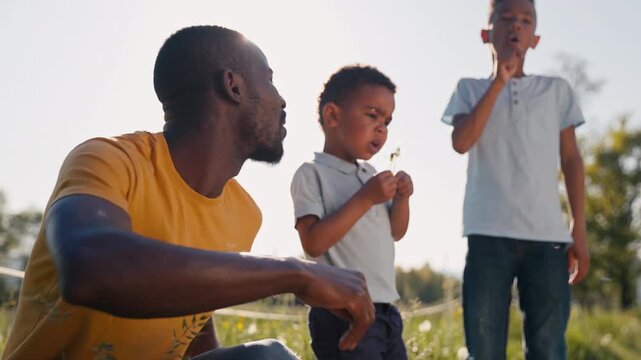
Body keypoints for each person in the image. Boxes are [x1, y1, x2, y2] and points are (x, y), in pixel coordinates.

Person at [2, 26, 377, 360]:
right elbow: (89, 268)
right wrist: (295, 273)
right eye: (270, 79)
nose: (282, 100)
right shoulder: (110, 159)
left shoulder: (245, 212)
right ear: (233, 85)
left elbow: (191, 321)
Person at [441, 0, 590, 359]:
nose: (516, 26)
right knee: (485, 346)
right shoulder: (469, 89)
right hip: (487, 236)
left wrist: (578, 230)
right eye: (506, 17)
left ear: (535, 38)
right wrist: (498, 82)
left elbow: (571, 160)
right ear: (485, 33)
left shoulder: (557, 91)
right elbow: (461, 142)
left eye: (526, 20)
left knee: (548, 348)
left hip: (548, 241)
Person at [290, 65, 413, 360]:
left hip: (385, 309)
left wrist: (403, 200)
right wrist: (366, 197)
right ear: (333, 116)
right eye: (372, 115)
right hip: (342, 311)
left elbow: (395, 232)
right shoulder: (312, 174)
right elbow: (313, 243)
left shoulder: (370, 175)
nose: (381, 128)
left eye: (387, 120)